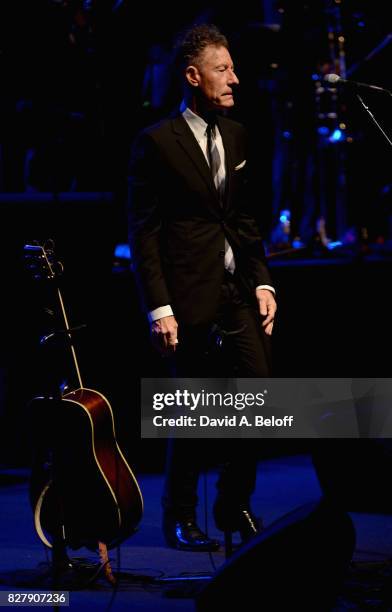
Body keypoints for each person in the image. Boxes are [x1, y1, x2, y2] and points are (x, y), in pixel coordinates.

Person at [128, 23, 277, 552]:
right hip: (187, 297)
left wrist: (263, 282)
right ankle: (179, 517)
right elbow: (144, 233)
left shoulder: (236, 135)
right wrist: (158, 308)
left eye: (233, 68)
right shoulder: (156, 142)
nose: (235, 79)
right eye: (223, 69)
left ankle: (234, 505)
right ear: (192, 76)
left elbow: (243, 220)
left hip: (236, 293)